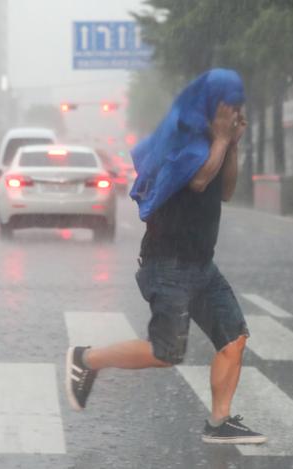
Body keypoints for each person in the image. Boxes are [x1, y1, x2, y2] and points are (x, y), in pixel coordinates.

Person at [65, 69, 266, 445]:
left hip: (202, 263)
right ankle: (86, 359)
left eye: (239, 107)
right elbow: (198, 180)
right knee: (165, 353)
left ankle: (219, 424)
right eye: (229, 106)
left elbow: (224, 190)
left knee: (234, 338)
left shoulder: (214, 140)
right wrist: (222, 140)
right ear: (211, 104)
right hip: (167, 263)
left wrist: (233, 145)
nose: (235, 113)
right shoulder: (183, 137)